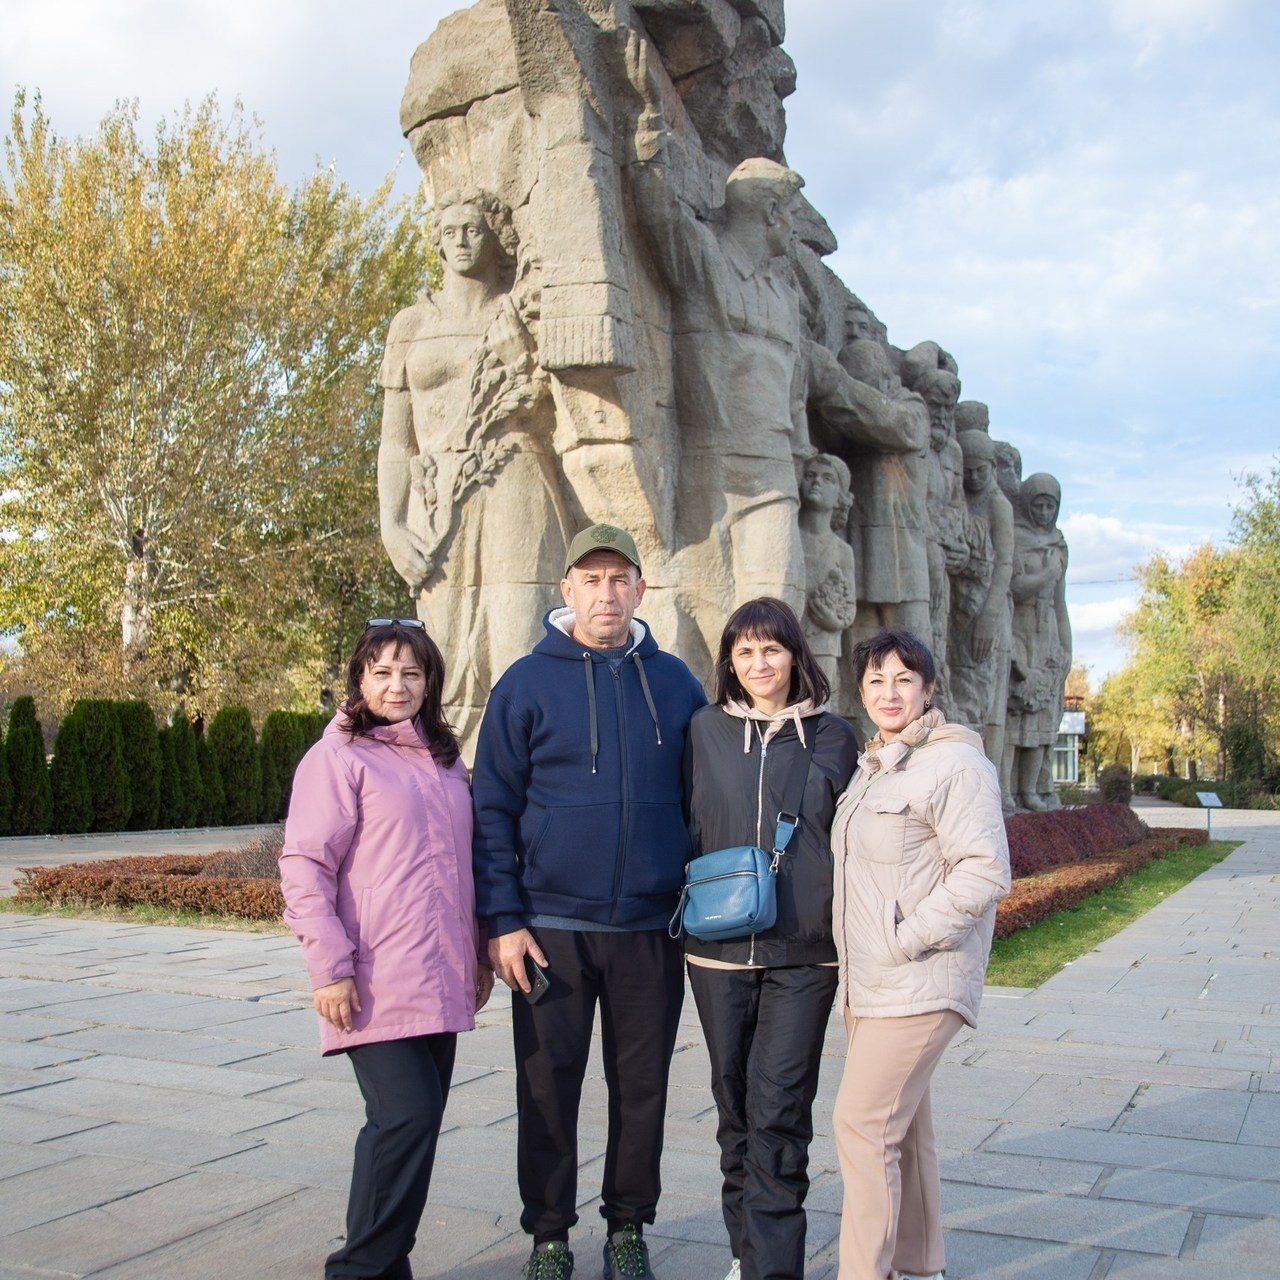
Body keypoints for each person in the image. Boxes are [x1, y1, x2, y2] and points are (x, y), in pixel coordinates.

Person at [471, 523, 707, 1280]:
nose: (606, 594)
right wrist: (504, 922)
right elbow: (491, 810)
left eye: (620, 580)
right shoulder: (524, 684)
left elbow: (705, 799)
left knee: (642, 1089)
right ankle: (548, 1236)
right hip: (552, 933)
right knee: (547, 1089)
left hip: (649, 930)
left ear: (641, 590)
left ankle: (629, 1227)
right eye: (591, 580)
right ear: (566, 590)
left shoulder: (675, 683)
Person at [279, 619, 493, 1280]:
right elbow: (304, 867)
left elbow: (464, 865)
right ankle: (359, 1267)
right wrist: (330, 968)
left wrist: (479, 954)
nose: (396, 686)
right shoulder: (337, 757)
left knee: (414, 1129)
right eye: (382, 672)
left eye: (411, 673)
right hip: (373, 978)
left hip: (440, 974)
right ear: (360, 679)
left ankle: (385, 1262)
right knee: (405, 1118)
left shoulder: (444, 759)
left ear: (429, 683)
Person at [683, 598, 860, 1280]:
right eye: (746, 652)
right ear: (730, 661)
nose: (760, 664)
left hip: (803, 953)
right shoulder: (703, 732)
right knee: (735, 1110)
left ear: (795, 655)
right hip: (716, 952)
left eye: (772, 649)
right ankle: (743, 1252)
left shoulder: (833, 736)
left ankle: (772, 1269)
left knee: (780, 1108)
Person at [830, 628, 1010, 1280]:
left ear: (928, 688)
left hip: (919, 978)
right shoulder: (877, 763)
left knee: (860, 1125)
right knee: (903, 1133)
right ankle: (922, 1264)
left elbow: (985, 871)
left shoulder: (955, 763)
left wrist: (908, 937)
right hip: (872, 985)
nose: (889, 692)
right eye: (876, 680)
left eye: (904, 679)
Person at [377, 188, 573, 749]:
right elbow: (396, 441)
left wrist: (519, 358)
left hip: (513, 473)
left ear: (495, 237)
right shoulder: (409, 324)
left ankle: (528, 763)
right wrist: (391, 523)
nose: (460, 241)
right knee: (441, 647)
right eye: (448, 231)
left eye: (473, 229)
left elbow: (552, 403)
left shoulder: (519, 311)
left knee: (518, 631)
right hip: (435, 500)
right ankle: (447, 775)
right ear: (435, 241)